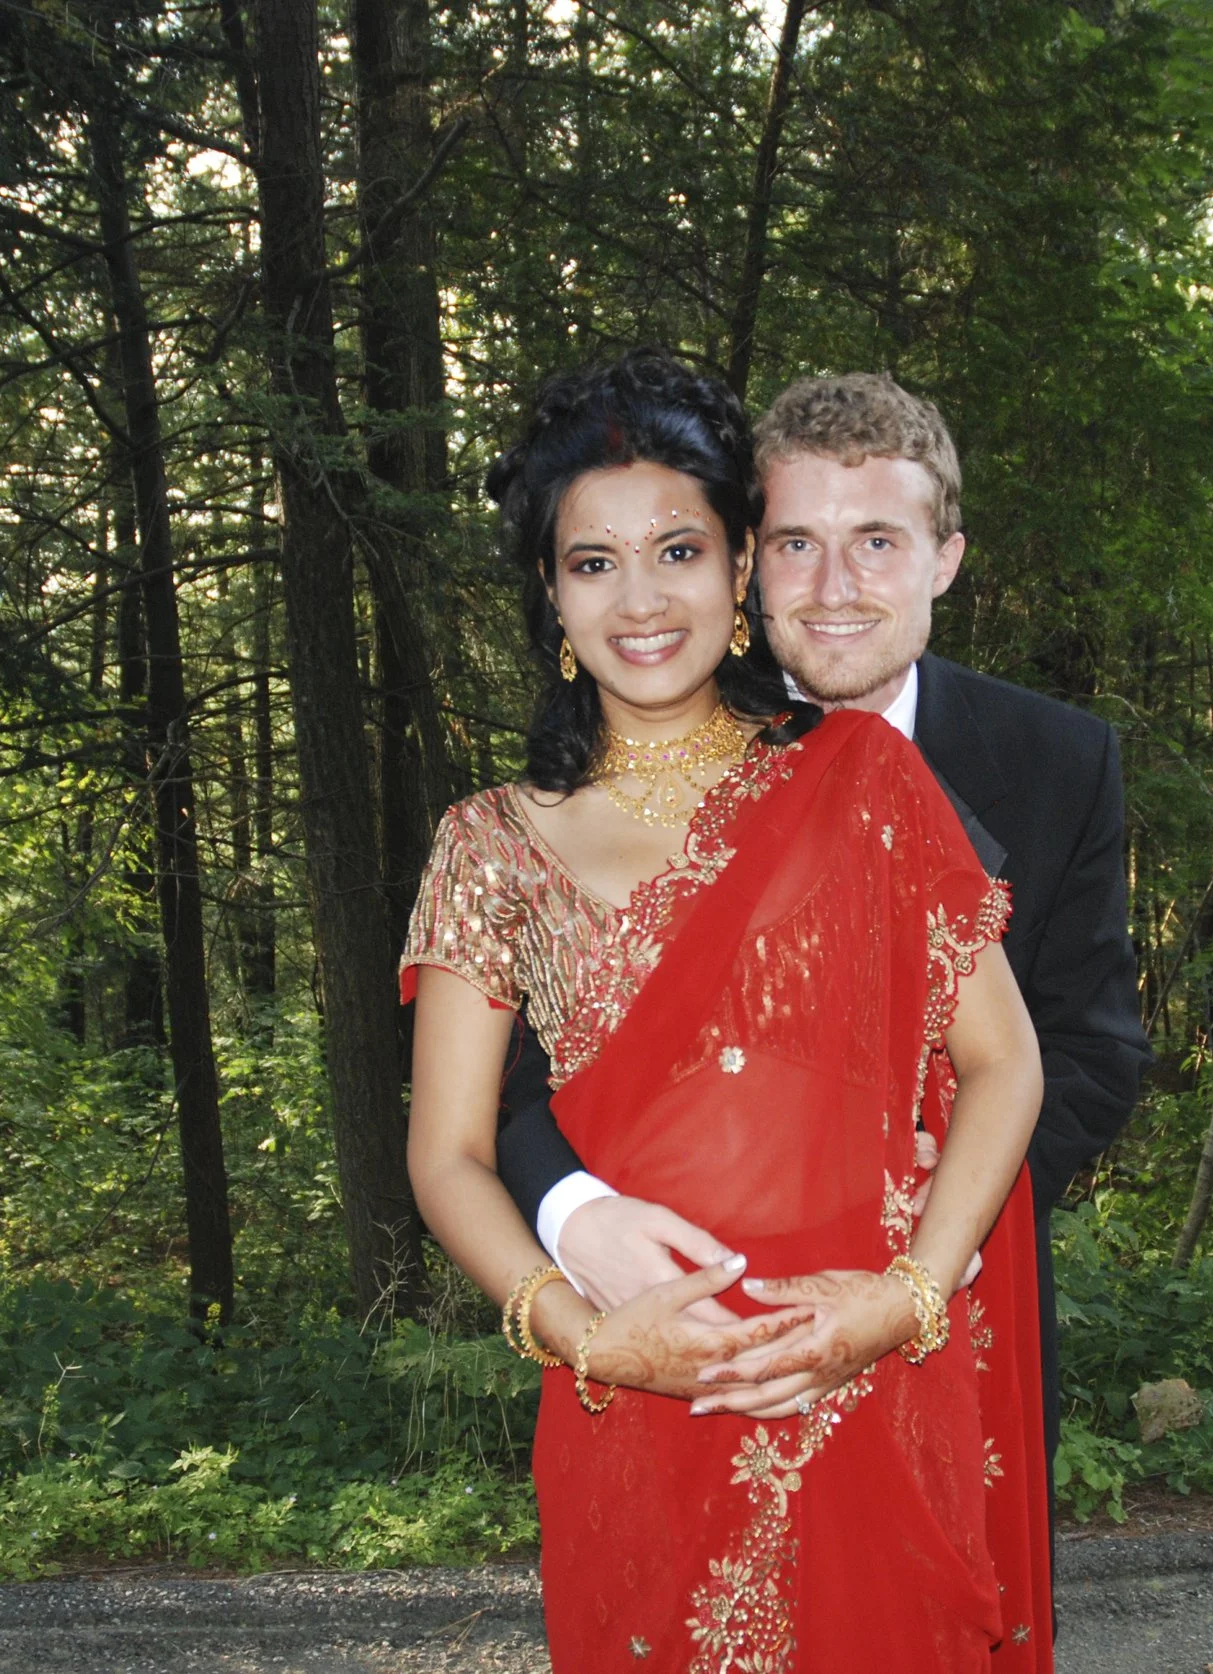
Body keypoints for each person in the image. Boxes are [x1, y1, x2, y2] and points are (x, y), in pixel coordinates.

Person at [402, 351, 1054, 1672]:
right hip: (633, 1399)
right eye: (593, 563)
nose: (640, 601)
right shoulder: (490, 846)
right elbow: (451, 1153)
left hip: (859, 1371)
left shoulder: (861, 780)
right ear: (549, 589)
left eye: (678, 551)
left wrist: (904, 1298)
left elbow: (1006, 1066)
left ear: (738, 570)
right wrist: (593, 1337)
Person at [497, 372, 1151, 1457]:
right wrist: (573, 1215)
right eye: (798, 542)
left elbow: (1089, 1047)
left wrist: (931, 1222)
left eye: (878, 541)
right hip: (690, 1311)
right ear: (749, 561)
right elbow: (517, 1075)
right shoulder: (653, 748)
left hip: (958, 1301)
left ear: (944, 557)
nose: (833, 585)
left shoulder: (1059, 761)